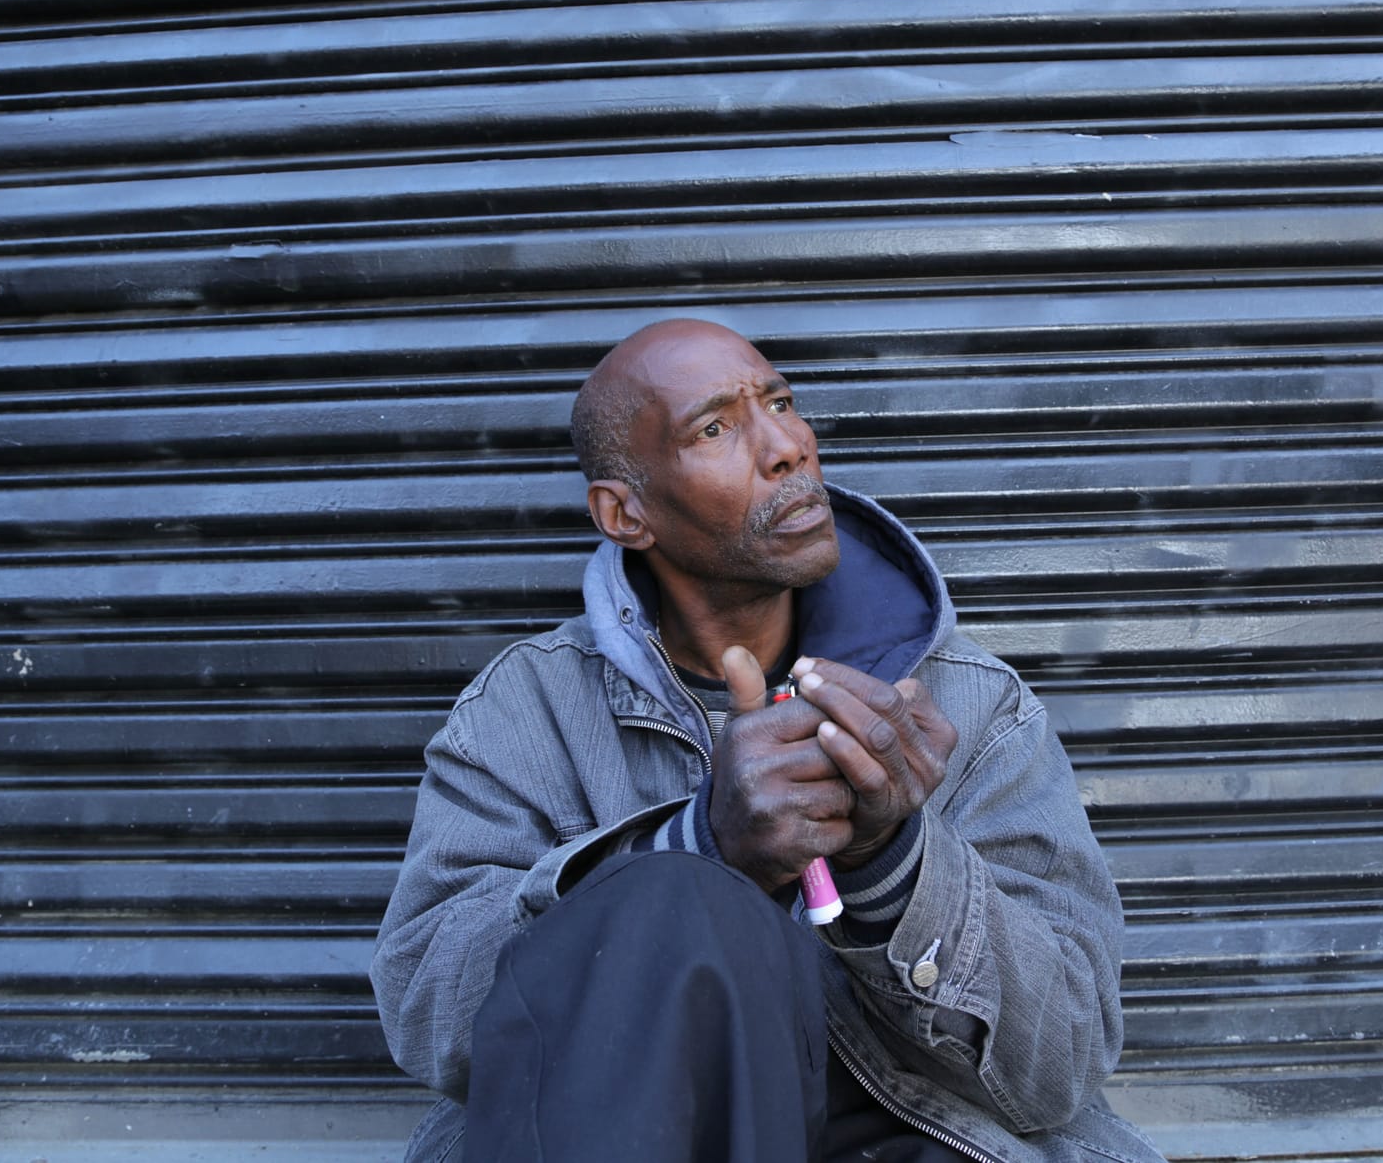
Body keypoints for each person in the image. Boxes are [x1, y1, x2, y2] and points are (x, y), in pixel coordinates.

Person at [371, 318, 1165, 1163]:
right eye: (715, 427)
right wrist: (699, 848)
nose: (788, 446)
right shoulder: (526, 709)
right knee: (675, 895)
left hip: (914, 1128)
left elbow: (1063, 1059)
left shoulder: (971, 701)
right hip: (645, 1137)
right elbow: (430, 1013)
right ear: (625, 513)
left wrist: (892, 862)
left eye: (781, 403)